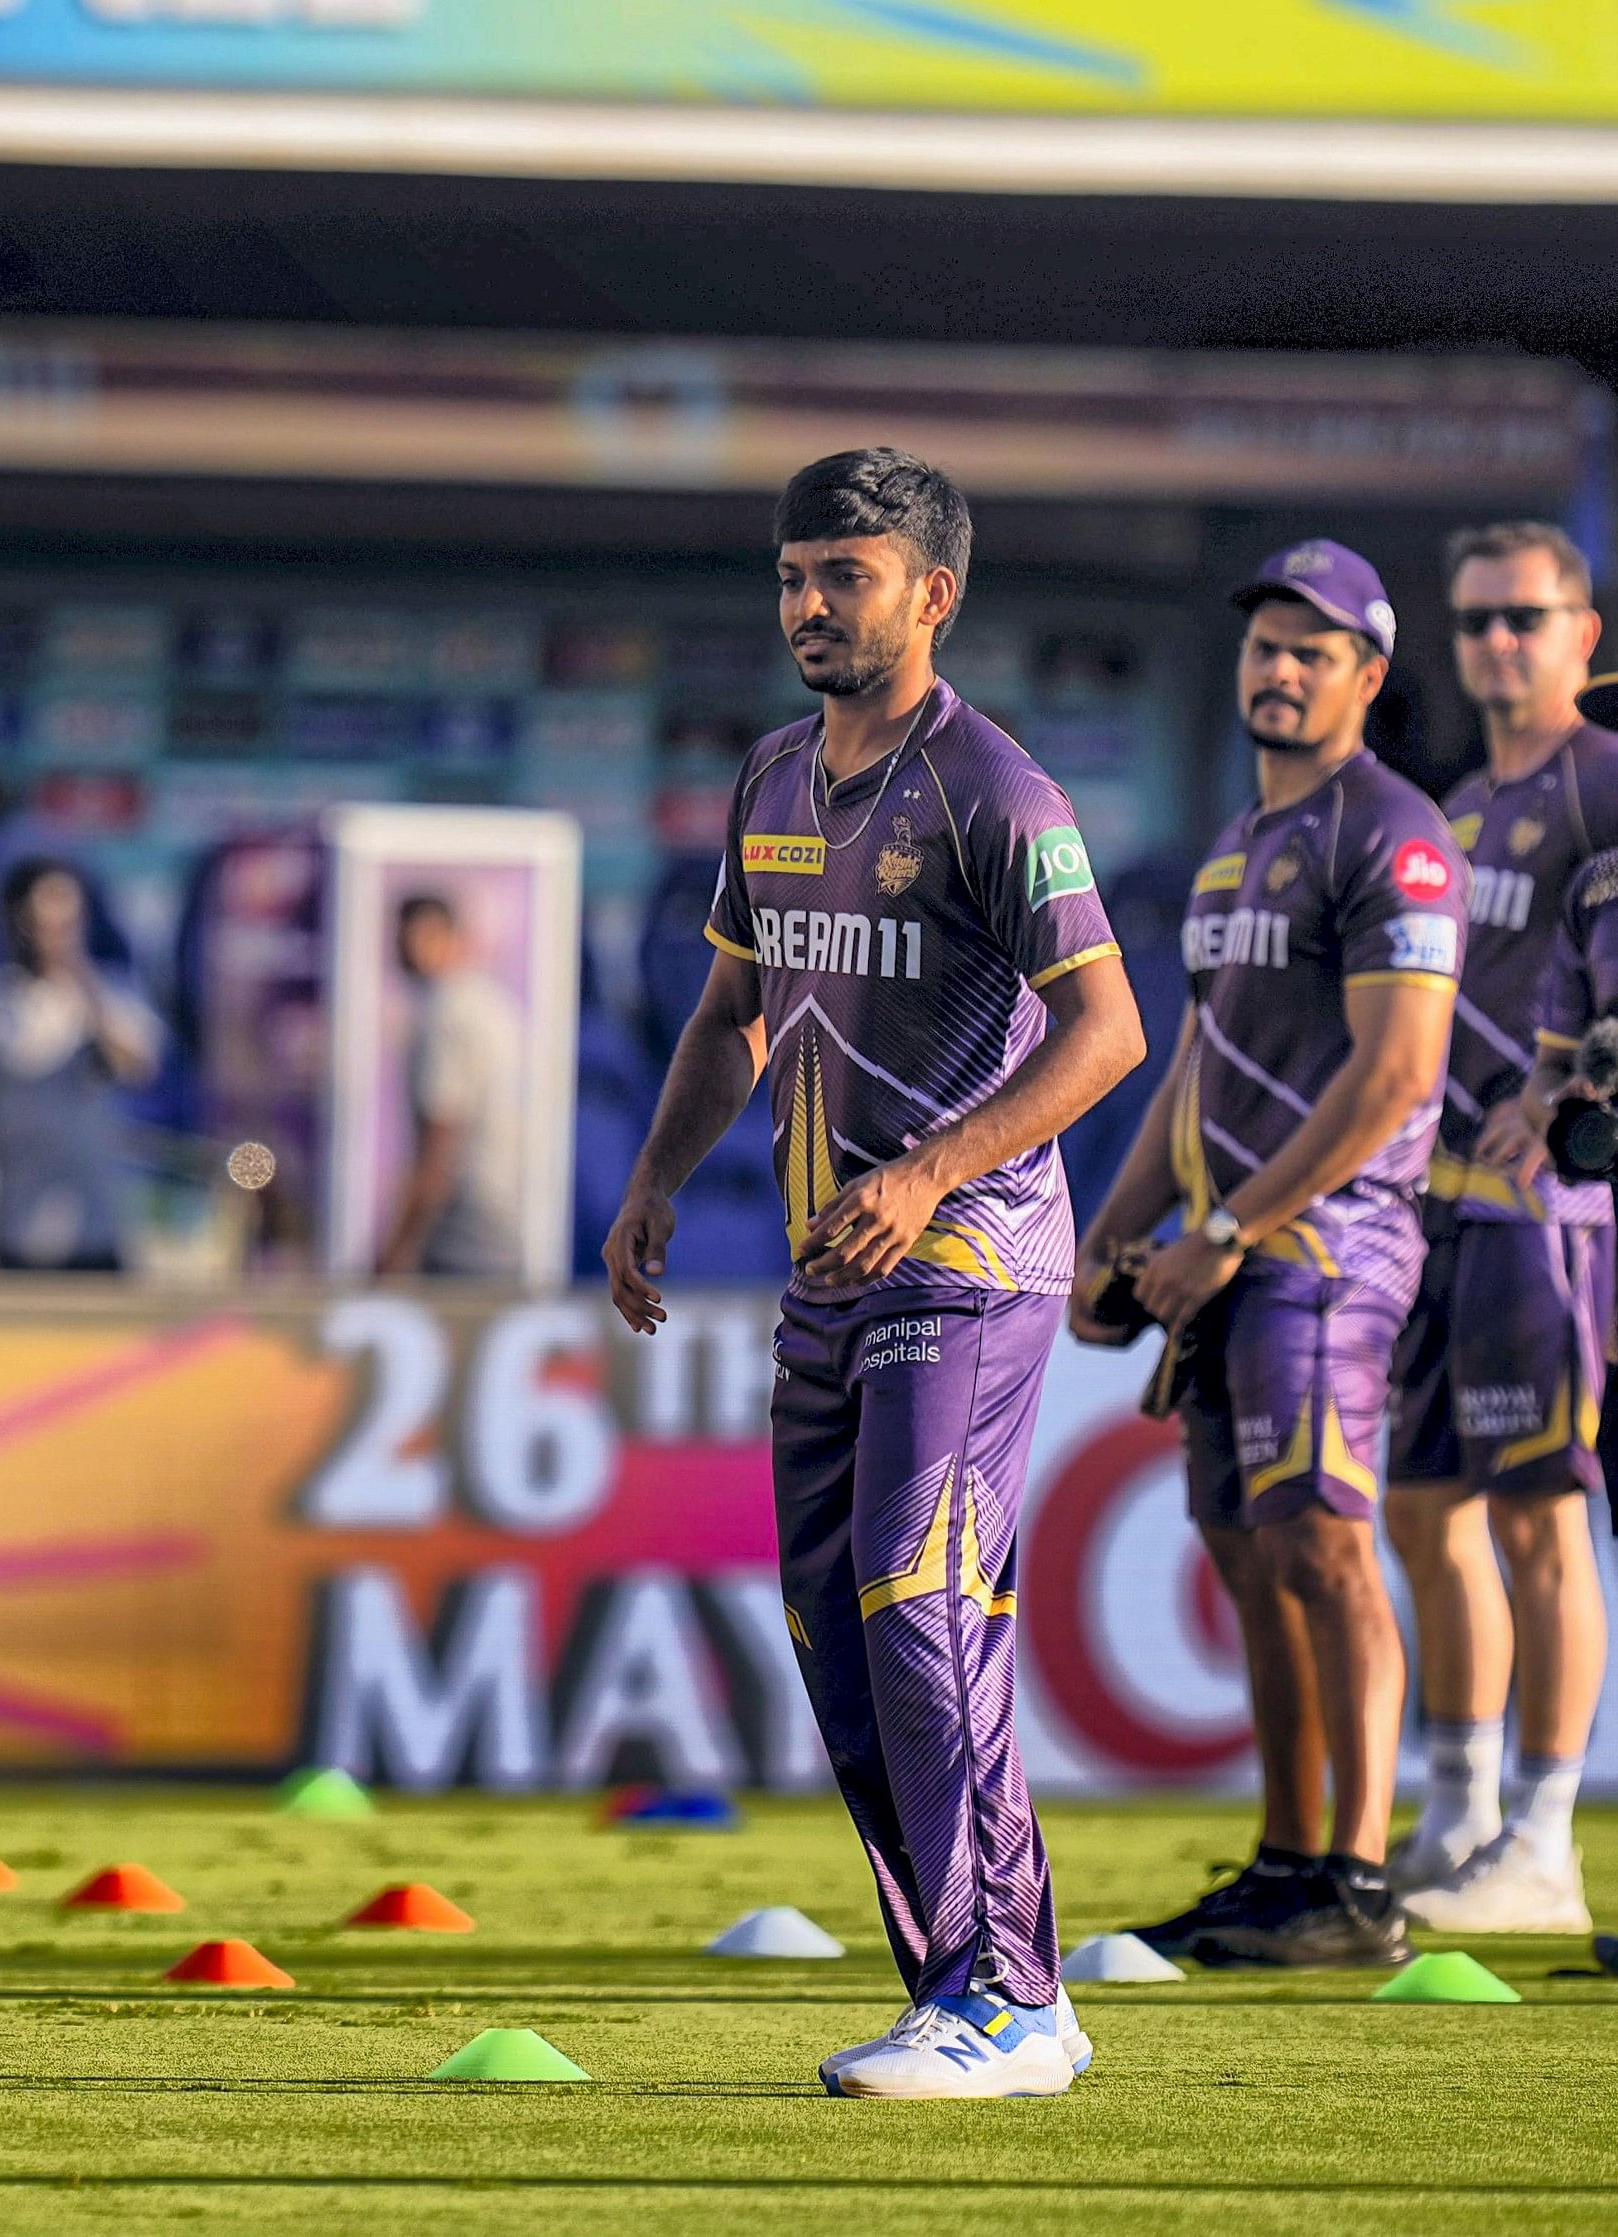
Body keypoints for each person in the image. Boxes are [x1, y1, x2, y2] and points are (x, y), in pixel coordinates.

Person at [605, 449, 1142, 2097]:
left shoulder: (995, 789)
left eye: (845, 574)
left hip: (968, 1258)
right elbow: (732, 1012)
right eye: (792, 576)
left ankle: (1007, 1991)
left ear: (933, 593)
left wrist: (924, 1172)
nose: (809, 605)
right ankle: (973, 1991)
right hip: (825, 1268)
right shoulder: (770, 777)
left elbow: (1109, 1031)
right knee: (832, 1627)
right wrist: (651, 1188)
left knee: (920, 1602)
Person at [1082, 538, 1457, 1973]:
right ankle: (1287, 1858)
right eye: (1264, 645)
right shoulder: (1237, 847)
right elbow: (1196, 1061)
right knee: (1246, 1549)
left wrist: (1228, 1229)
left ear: (1368, 675)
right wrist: (1113, 1234)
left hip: (1326, 1248)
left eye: (1314, 649)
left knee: (1323, 1542)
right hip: (1223, 1253)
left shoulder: (1397, 833)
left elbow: (1397, 1076)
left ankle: (1357, 1881)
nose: (1281, 669)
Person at [1378, 520, 1612, 1936]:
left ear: (1585, 630)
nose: (1497, 646)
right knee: (1421, 1508)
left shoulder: (1608, 787)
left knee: (1540, 1511)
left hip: (1555, 1212)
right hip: (1440, 1211)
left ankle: (1546, 1837)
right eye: (1473, 624)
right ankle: (1461, 1810)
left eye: (1524, 617)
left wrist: (1580, 1088)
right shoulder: (1455, 812)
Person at [0, 858, 160, 1273]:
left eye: (69, 922)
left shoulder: (110, 999)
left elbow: (136, 1065)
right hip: (14, 1230)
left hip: (95, 1230)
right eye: (41, 920)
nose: (54, 935)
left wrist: (82, 979)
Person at [378, 889, 524, 1279]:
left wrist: (396, 1250)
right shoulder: (492, 1002)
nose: (405, 951)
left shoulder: (443, 1010)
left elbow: (440, 1141)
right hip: (506, 1221)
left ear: (449, 937)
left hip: (463, 1230)